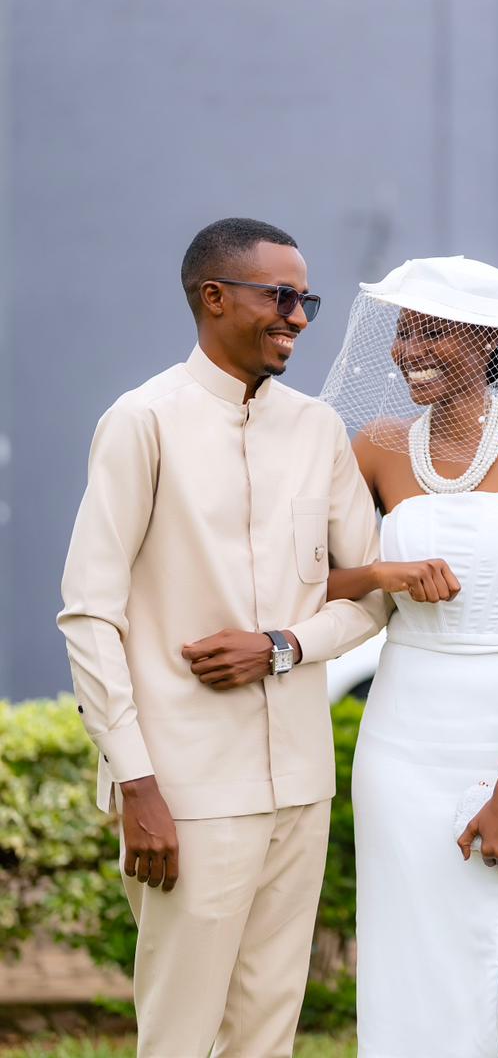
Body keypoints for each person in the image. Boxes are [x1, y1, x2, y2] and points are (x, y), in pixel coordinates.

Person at [57, 217, 390, 1058]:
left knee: (268, 1030)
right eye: (281, 297)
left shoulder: (317, 430)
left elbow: (371, 593)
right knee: (179, 1032)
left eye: (306, 300)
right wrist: (137, 784)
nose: (299, 317)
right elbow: (90, 612)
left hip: (301, 783)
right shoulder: (143, 421)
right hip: (184, 787)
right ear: (214, 297)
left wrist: (282, 644)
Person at [321, 256, 498, 1058]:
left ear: (488, 342)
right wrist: (383, 573)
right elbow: (304, 577)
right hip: (404, 735)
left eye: (431, 331)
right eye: (403, 331)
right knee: (413, 955)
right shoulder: (374, 448)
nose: (408, 349)